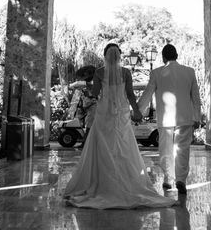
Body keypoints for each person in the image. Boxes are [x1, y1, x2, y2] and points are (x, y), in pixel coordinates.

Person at [64, 43, 177, 209]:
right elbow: (130, 94)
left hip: (104, 114)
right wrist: (137, 111)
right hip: (121, 113)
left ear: (105, 55)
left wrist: (88, 88)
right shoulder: (126, 72)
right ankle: (126, 181)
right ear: (119, 56)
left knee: (103, 146)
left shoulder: (99, 72)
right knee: (123, 146)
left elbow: (94, 95)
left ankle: (102, 183)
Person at [138, 44, 201, 194]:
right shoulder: (189, 72)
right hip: (185, 118)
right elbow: (196, 97)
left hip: (165, 119)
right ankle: (181, 180)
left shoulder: (157, 73)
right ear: (177, 55)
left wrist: (138, 111)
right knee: (182, 149)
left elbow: (147, 93)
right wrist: (197, 117)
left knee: (165, 149)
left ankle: (167, 179)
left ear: (163, 57)